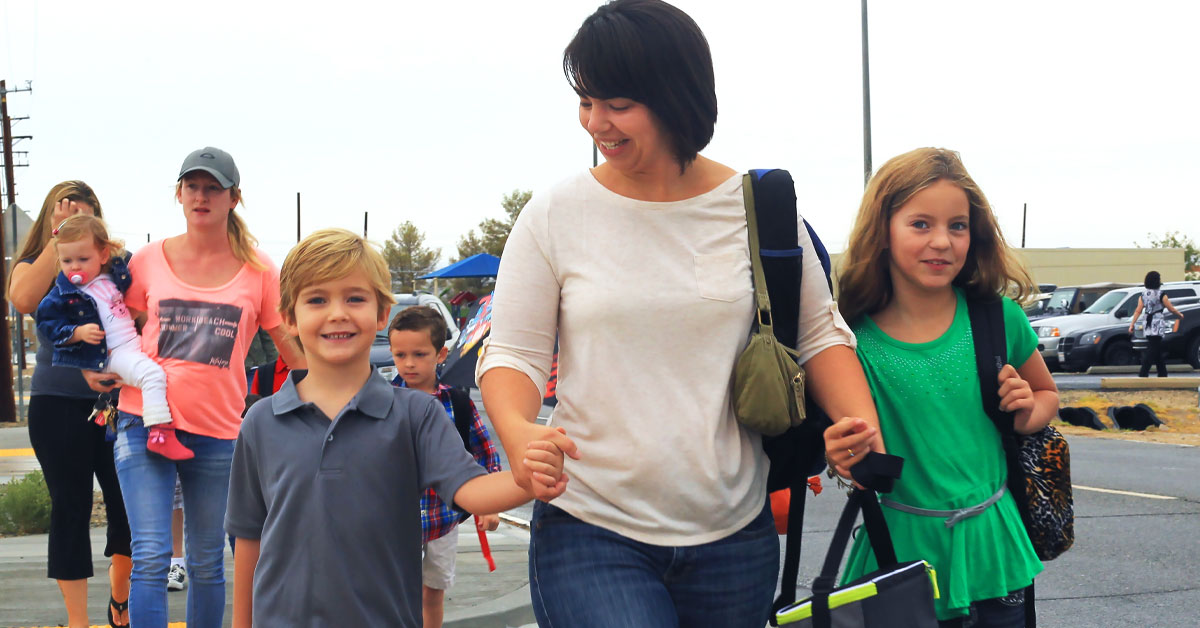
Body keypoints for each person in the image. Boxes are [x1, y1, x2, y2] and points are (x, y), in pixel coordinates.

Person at [476, 2, 880, 625]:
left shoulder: (761, 207)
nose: (595, 123)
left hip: (735, 534)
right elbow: (514, 353)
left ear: (674, 95)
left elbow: (822, 334)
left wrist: (859, 425)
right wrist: (516, 428)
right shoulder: (555, 214)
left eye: (616, 103)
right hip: (591, 526)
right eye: (586, 101)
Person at [225, 229, 574, 627]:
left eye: (354, 298)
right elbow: (248, 538)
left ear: (380, 313)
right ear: (289, 317)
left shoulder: (417, 415)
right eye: (317, 299)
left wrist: (527, 480)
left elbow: (471, 490)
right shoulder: (260, 422)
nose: (337, 312)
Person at [826, 147, 1059, 627]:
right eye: (920, 224)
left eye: (957, 225)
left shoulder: (1000, 319)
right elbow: (846, 448)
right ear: (882, 231)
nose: (942, 241)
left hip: (996, 553)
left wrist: (1025, 410)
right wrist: (839, 454)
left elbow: (1046, 396)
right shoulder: (849, 339)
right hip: (897, 558)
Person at [84, 146, 304, 628]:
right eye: (193, 187)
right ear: (179, 195)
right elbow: (108, 320)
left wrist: (324, 387)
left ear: (233, 198)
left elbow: (287, 341)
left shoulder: (259, 269)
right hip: (143, 423)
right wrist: (89, 365)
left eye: (213, 188)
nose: (201, 196)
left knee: (206, 561)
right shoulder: (146, 261)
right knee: (151, 555)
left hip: (219, 435)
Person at [7, 181, 132, 628]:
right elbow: (22, 299)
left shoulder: (116, 266)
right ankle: (77, 621)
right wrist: (59, 238)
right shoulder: (38, 266)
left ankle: (120, 604)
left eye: (84, 212)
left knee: (127, 505)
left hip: (115, 404)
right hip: (57, 405)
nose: (72, 217)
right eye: (62, 211)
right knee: (70, 508)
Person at [36, 214, 192, 460]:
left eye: (83, 259)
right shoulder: (64, 294)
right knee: (153, 375)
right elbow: (46, 323)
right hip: (110, 354)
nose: (74, 267)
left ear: (103, 255)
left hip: (133, 343)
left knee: (171, 367)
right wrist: (76, 333)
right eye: (66, 260)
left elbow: (130, 278)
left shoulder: (109, 279)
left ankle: (177, 422)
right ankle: (159, 434)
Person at [388, 305, 503, 628]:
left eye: (420, 354)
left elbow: (484, 455)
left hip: (443, 518)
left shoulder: (458, 403)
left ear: (441, 354)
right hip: (394, 521)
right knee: (395, 593)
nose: (409, 363)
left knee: (432, 592)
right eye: (400, 355)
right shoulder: (383, 401)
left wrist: (488, 504)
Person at [1128, 270, 1184, 378]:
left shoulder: (1143, 295)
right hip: (1157, 322)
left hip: (1147, 323)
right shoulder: (1161, 294)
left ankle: (1162, 373)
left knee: (1156, 348)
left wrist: (1132, 324)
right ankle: (1143, 372)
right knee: (1153, 348)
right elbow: (1170, 307)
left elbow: (1138, 310)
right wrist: (1179, 314)